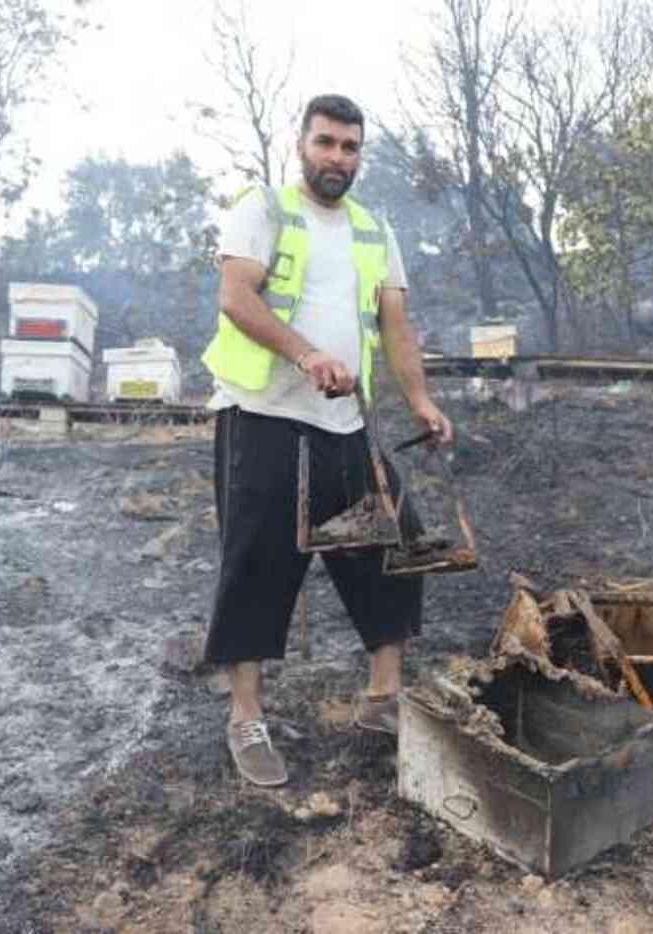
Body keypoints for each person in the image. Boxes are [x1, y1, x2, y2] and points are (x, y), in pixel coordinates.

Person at [201, 93, 453, 787]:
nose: (336, 158)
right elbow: (236, 297)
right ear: (301, 144)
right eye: (325, 143)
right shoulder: (265, 209)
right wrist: (306, 353)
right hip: (262, 415)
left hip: (347, 422)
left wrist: (422, 400)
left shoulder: (374, 230)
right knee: (256, 561)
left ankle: (381, 698)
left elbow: (395, 323)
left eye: (348, 147)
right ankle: (246, 717)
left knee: (395, 545)